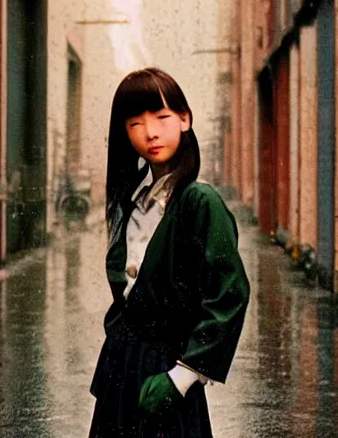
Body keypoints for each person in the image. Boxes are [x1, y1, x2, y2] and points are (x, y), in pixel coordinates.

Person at [88, 67, 250, 437]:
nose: (151, 132)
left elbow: (229, 294)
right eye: (135, 123)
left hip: (168, 371)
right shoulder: (135, 201)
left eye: (162, 117)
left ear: (185, 119)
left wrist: (181, 377)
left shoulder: (199, 201)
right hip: (122, 369)